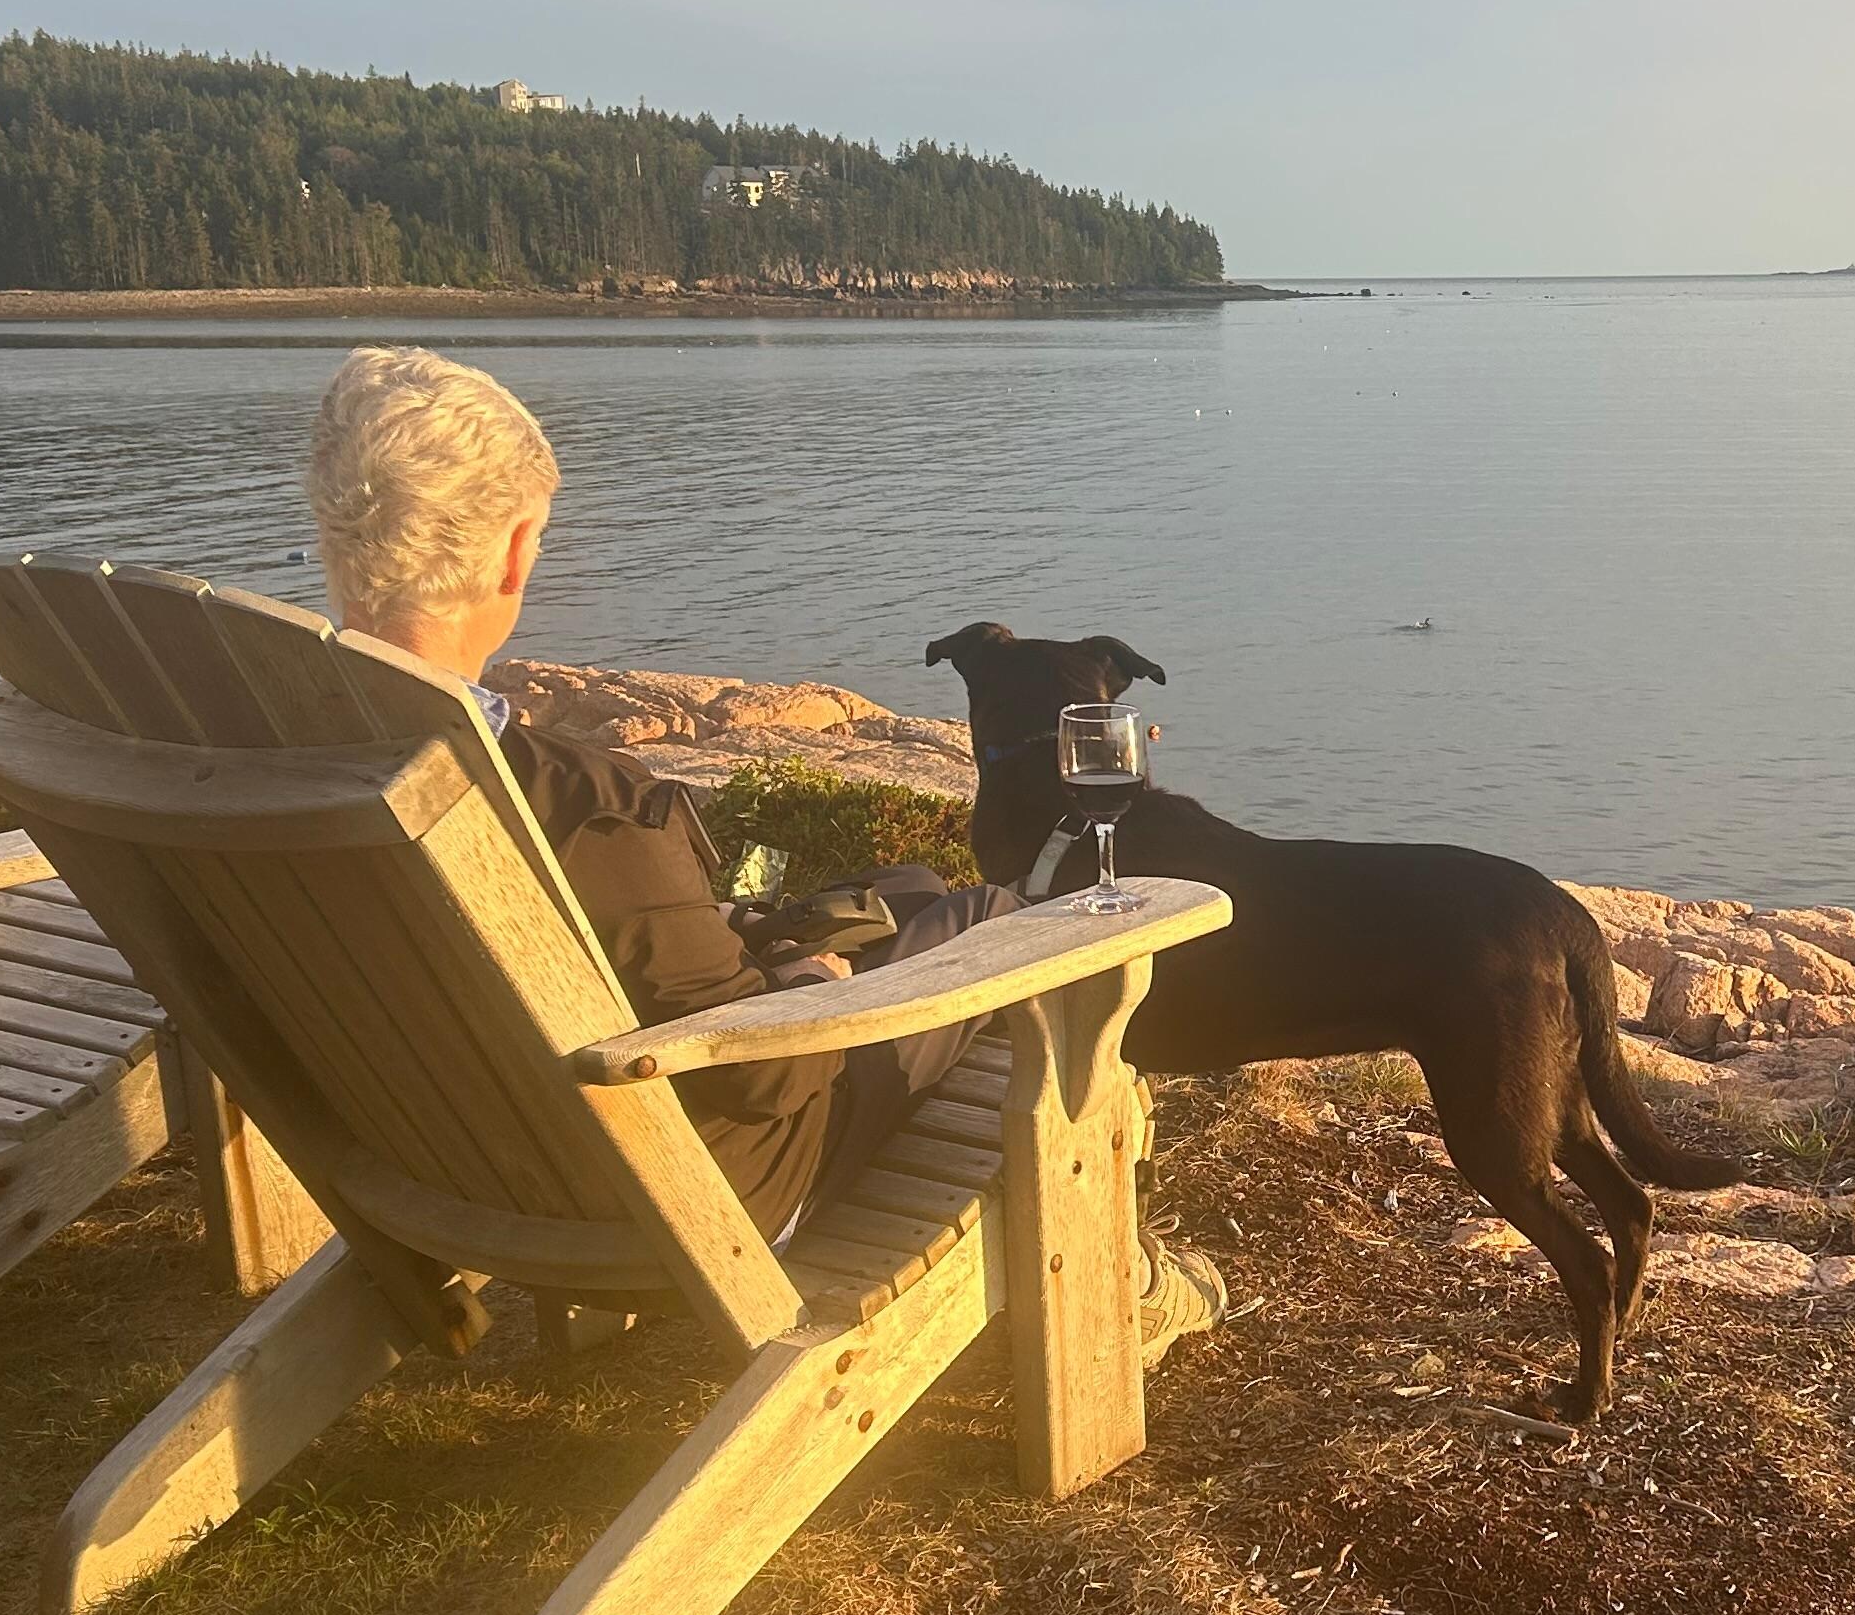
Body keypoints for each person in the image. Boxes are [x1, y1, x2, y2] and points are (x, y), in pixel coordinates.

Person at [298, 344, 1222, 1353]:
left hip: (433, 1149)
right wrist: (812, 979)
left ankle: (890, 953)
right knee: (994, 922)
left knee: (907, 890)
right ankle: (1125, 1289)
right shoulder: (588, 806)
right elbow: (763, 1080)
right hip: (711, 1185)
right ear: (517, 551)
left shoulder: (259, 749)